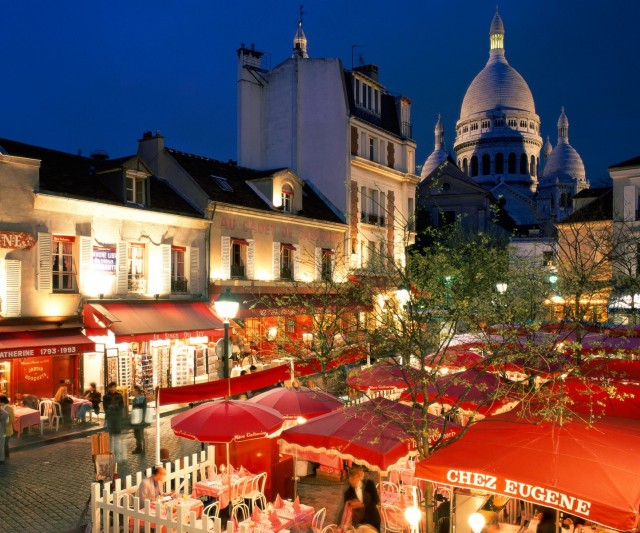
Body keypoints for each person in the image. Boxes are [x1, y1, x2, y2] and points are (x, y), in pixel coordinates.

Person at [341, 466, 381, 531]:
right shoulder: (348, 493)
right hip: (359, 523)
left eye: (354, 479)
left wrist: (362, 505)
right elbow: (344, 511)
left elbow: (376, 500)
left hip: (372, 518)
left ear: (359, 477)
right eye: (351, 479)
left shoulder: (369, 484)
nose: (353, 482)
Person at [103, 382, 125, 459]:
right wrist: (111, 409)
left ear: (116, 388)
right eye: (111, 387)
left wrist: (115, 407)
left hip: (117, 418)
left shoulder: (119, 395)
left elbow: (122, 406)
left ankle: (117, 452)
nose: (113, 388)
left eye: (114, 387)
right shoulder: (105, 396)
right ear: (109, 388)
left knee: (117, 436)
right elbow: (105, 408)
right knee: (109, 435)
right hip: (109, 418)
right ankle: (109, 452)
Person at [130, 384, 147, 454]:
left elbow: (144, 410)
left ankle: (141, 448)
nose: (131, 391)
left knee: (140, 434)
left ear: (137, 391)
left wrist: (142, 419)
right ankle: (139, 447)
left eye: (133, 390)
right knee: (136, 434)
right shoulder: (135, 399)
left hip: (139, 419)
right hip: (135, 419)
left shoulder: (142, 399)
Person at [0, 395, 13, 461]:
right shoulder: (1, 408)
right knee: (4, 444)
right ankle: (6, 456)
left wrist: (4, 424)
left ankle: (6, 456)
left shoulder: (9, 408)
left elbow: (12, 419)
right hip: (3, 430)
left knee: (4, 444)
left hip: (7, 430)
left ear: (2, 401)